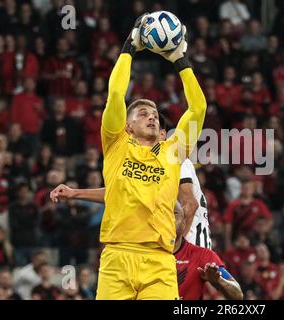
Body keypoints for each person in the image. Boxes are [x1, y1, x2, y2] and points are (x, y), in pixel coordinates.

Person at [79, 15, 205, 299]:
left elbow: (197, 108)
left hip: (159, 261)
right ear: (127, 125)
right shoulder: (116, 143)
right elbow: (115, 93)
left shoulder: (173, 151)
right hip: (116, 257)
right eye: (142, 113)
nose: (151, 117)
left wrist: (180, 60)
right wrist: (129, 47)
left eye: (155, 115)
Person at [50, 114, 211, 249]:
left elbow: (190, 205)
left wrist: (179, 251)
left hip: (188, 243)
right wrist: (75, 193)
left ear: (162, 135)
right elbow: (119, 193)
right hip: (164, 245)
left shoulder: (174, 158)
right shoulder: (145, 165)